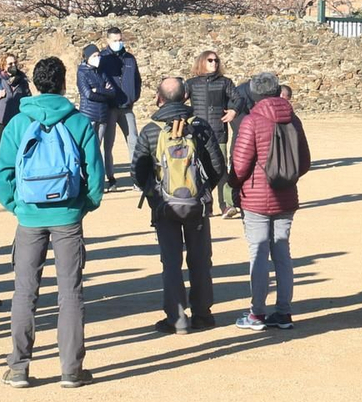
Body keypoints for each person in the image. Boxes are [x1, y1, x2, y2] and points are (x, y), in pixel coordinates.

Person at [0, 57, 106, 388]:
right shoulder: (78, 122)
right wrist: (81, 206)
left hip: (29, 216)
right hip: (68, 216)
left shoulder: (18, 123)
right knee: (70, 292)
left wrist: (17, 206)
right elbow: (95, 176)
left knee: (24, 291)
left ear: (35, 83)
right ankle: (71, 369)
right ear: (62, 84)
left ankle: (18, 367)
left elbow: (4, 175)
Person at [132, 76, 228, 333]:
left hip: (165, 205)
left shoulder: (151, 130)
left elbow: (137, 172)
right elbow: (218, 166)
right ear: (186, 96)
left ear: (158, 98)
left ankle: (177, 318)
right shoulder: (200, 126)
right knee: (200, 259)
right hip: (196, 205)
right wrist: (203, 191)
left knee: (171, 262)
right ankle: (203, 314)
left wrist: (155, 195)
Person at [232, 72, 311, 332]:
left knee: (258, 254)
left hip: (256, 197)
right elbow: (305, 162)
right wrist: (287, 178)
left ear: (254, 94)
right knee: (282, 254)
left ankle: (257, 313)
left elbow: (241, 164)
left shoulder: (252, 121)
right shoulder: (293, 120)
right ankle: (284, 312)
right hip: (286, 195)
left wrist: (234, 184)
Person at [185, 50, 238, 217]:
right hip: (197, 133)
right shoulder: (191, 83)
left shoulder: (225, 82)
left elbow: (238, 99)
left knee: (221, 170)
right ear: (202, 62)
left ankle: (226, 205)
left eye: (216, 60)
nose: (214, 63)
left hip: (218, 132)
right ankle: (204, 205)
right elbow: (178, 100)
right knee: (196, 169)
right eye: (210, 60)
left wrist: (233, 111)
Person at [76, 43, 127, 190]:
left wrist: (98, 90)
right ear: (86, 58)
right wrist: (103, 91)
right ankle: (85, 180)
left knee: (97, 150)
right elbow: (87, 94)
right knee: (88, 150)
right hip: (89, 115)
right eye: (94, 56)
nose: (97, 58)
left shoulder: (101, 71)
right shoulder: (82, 72)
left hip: (103, 115)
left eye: (98, 55)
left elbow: (113, 92)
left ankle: (99, 180)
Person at [98, 27, 142, 184]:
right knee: (108, 144)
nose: (118, 43)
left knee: (134, 141)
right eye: (115, 40)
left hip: (127, 107)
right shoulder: (102, 58)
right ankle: (110, 178)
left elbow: (137, 80)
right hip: (109, 108)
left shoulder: (130, 58)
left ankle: (137, 178)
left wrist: (134, 96)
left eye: (120, 40)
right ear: (108, 41)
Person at [0, 52, 29, 150]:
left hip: (16, 120)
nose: (13, 66)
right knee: (1, 150)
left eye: (14, 63)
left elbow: (27, 98)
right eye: (10, 64)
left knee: (16, 149)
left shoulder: (22, 81)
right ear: (3, 66)